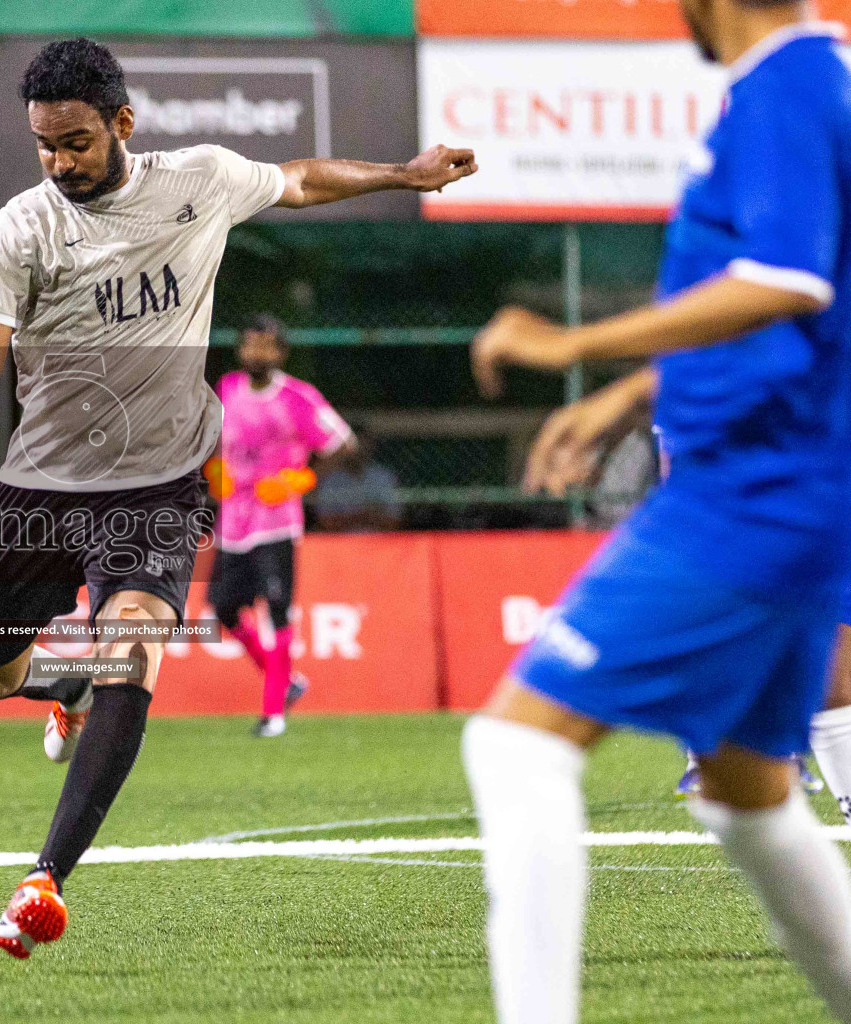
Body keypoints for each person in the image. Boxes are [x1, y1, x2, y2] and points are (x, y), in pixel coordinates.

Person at [0, 36, 475, 959]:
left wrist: (402, 175)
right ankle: (64, 686)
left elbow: (299, 179)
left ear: (122, 124)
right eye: (45, 145)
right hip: (42, 486)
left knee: (135, 648)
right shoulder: (20, 229)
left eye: (77, 143)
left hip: (160, 484)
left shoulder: (199, 180)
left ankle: (45, 881)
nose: (60, 163)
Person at [467, 2, 851, 1020]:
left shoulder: (789, 87)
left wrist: (571, 346)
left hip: (751, 491)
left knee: (515, 745)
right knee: (750, 803)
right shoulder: (818, 82)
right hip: (790, 484)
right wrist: (629, 395)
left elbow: (787, 280)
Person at [523, 369, 834, 804]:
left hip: (763, 520)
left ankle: (739, 754)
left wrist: (573, 351)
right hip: (731, 526)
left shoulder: (762, 342)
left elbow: (772, 308)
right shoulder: (701, 368)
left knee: (510, 741)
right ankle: (726, 756)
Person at [206, 315, 355, 738]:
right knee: (224, 610)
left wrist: (302, 479)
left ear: (280, 352)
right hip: (234, 521)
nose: (257, 352)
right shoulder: (228, 388)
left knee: (276, 611)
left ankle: (273, 714)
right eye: (250, 344)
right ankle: (286, 682)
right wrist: (214, 470)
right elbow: (215, 440)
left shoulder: (297, 397)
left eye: (266, 345)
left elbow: (344, 442)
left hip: (275, 523)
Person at [306, 425, 402, 533]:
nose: (357, 449)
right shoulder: (331, 479)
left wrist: (349, 518)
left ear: (371, 445)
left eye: (362, 443)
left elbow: (393, 521)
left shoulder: (383, 477)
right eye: (353, 445)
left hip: (378, 543)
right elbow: (326, 523)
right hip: (340, 544)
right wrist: (367, 515)